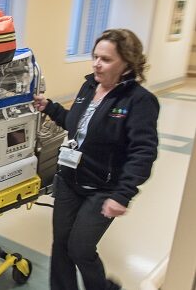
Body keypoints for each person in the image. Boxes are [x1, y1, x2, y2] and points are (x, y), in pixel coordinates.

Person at [33, 29, 159, 290]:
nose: (96, 64)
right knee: (61, 246)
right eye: (95, 56)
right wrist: (50, 107)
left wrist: (122, 194)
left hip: (104, 188)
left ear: (127, 64)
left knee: (80, 249)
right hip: (69, 180)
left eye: (106, 59)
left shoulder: (139, 101)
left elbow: (143, 152)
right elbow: (75, 124)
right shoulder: (89, 86)